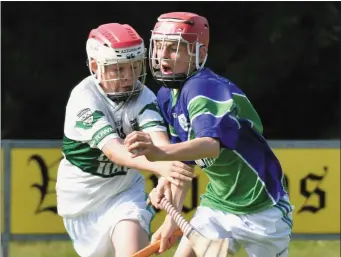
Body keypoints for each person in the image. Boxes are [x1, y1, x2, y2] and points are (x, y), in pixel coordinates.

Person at [124, 12, 293, 257]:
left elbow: (210, 145)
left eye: (174, 48)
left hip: (263, 207)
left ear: (199, 54)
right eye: (159, 46)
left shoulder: (203, 87)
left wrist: (159, 152)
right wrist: (171, 220)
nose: (162, 55)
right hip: (218, 204)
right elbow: (184, 163)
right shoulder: (167, 95)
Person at [55, 22, 195, 257]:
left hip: (124, 193)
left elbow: (162, 146)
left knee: (130, 241)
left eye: (133, 67)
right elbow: (114, 151)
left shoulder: (143, 95)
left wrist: (167, 171)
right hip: (80, 203)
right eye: (118, 70)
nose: (129, 78)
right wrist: (159, 166)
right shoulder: (84, 98)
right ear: (94, 67)